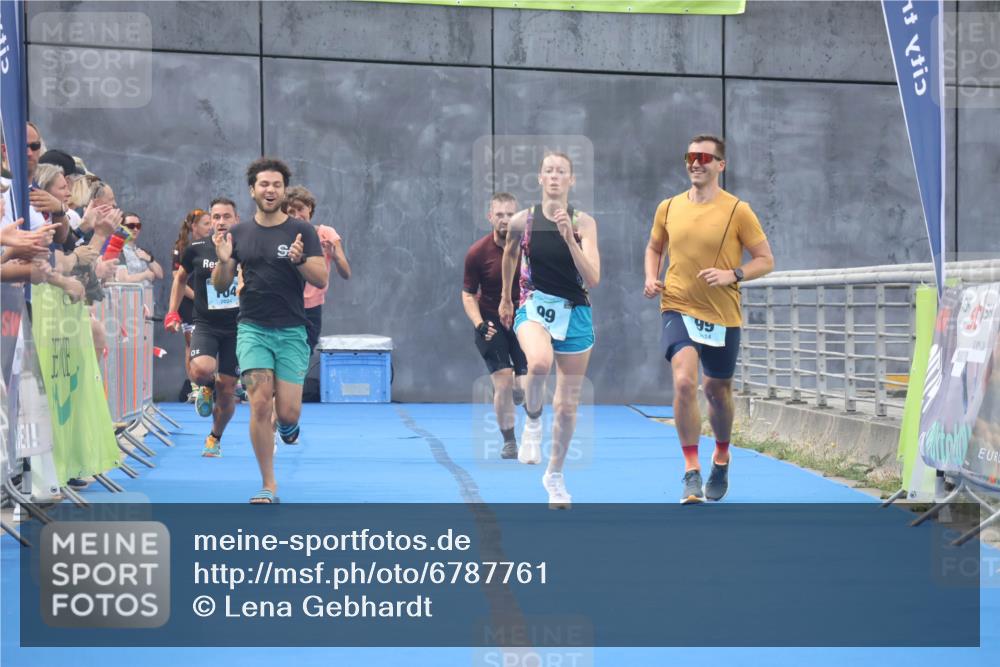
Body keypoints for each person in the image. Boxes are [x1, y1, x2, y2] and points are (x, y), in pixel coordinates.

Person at [643, 134, 774, 504]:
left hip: (721, 313)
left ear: (721, 165)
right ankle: (691, 469)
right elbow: (655, 247)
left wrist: (733, 274)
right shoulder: (668, 207)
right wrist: (651, 277)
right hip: (677, 304)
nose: (695, 163)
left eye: (704, 157)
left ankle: (721, 455)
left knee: (716, 391)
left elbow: (766, 259)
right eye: (690, 156)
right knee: (684, 382)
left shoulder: (738, 211)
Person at [212, 158, 327, 504]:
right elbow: (221, 285)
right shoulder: (239, 233)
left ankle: (290, 427)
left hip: (292, 330)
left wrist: (300, 260)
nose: (270, 190)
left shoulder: (301, 231)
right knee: (260, 403)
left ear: (283, 190)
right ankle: (268, 483)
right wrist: (222, 260)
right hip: (253, 329)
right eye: (264, 184)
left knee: (288, 412)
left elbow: (321, 278)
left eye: (276, 184)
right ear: (252, 190)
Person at [499, 153, 601, 509]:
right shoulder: (522, 221)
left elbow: (593, 278)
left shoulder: (583, 222)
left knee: (568, 406)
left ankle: (554, 475)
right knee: (539, 364)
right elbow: (510, 254)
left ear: (571, 181)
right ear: (540, 179)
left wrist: (569, 239)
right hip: (535, 304)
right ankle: (532, 422)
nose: (555, 177)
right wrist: (506, 298)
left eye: (562, 172)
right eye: (549, 171)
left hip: (575, 312)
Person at [166, 198, 241, 456]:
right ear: (211, 221)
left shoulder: (246, 248)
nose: (221, 222)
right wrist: (171, 312)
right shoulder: (196, 248)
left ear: (236, 220)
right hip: (206, 323)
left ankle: (214, 437)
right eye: (216, 217)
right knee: (200, 371)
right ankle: (205, 386)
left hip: (238, 328)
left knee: (228, 388)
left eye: (226, 217)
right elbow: (180, 279)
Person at [463, 192, 527, 460]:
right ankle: (510, 441)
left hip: (524, 320)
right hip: (491, 321)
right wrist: (479, 323)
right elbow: (467, 294)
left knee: (523, 387)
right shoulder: (477, 253)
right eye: (499, 214)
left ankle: (517, 385)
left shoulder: (529, 249)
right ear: (490, 217)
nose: (504, 220)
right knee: (502, 381)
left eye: (510, 214)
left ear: (519, 217)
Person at [284, 185, 351, 353]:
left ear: (310, 208)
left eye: (301, 210)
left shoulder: (325, 233)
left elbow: (346, 273)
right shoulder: (281, 235)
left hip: (311, 308)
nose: (296, 216)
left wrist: (334, 256)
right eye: (290, 211)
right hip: (285, 305)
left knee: (303, 355)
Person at [172, 209, 211, 402]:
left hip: (209, 304)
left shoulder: (212, 245)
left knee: (210, 343)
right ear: (194, 226)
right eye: (206, 223)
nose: (210, 227)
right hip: (189, 304)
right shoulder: (181, 248)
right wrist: (197, 296)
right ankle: (195, 386)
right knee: (191, 343)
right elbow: (176, 278)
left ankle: (210, 385)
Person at [115, 212, 163, 285]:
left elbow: (160, 274)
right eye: (131, 226)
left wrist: (149, 258)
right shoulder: (118, 251)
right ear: (122, 228)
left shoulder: (142, 251)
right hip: (127, 294)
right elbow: (123, 279)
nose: (135, 229)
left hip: (145, 295)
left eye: (138, 226)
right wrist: (145, 275)